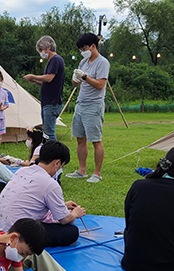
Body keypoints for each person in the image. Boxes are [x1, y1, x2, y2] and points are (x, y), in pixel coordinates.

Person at [0, 140, 84, 247]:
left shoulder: (22, 171)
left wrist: (63, 205)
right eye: (61, 166)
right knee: (72, 231)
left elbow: (30, 200)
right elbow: (64, 219)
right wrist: (75, 214)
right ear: (57, 163)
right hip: (17, 234)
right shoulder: (50, 184)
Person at [65, 33, 110, 183]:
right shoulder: (83, 62)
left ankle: (97, 173)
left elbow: (100, 85)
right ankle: (81, 170)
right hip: (80, 103)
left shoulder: (103, 62)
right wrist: (75, 79)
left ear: (93, 46)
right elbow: (76, 84)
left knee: (96, 140)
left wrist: (84, 77)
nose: (82, 51)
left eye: (84, 48)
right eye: (80, 49)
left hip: (94, 105)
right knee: (80, 139)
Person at [23, 36, 65, 141]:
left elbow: (49, 78)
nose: (41, 53)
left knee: (49, 133)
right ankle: (49, 154)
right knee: (46, 132)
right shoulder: (52, 61)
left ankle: (54, 154)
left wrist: (33, 76)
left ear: (48, 48)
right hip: (48, 102)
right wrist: (37, 81)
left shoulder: (55, 60)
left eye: (41, 50)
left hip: (52, 103)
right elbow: (49, 82)